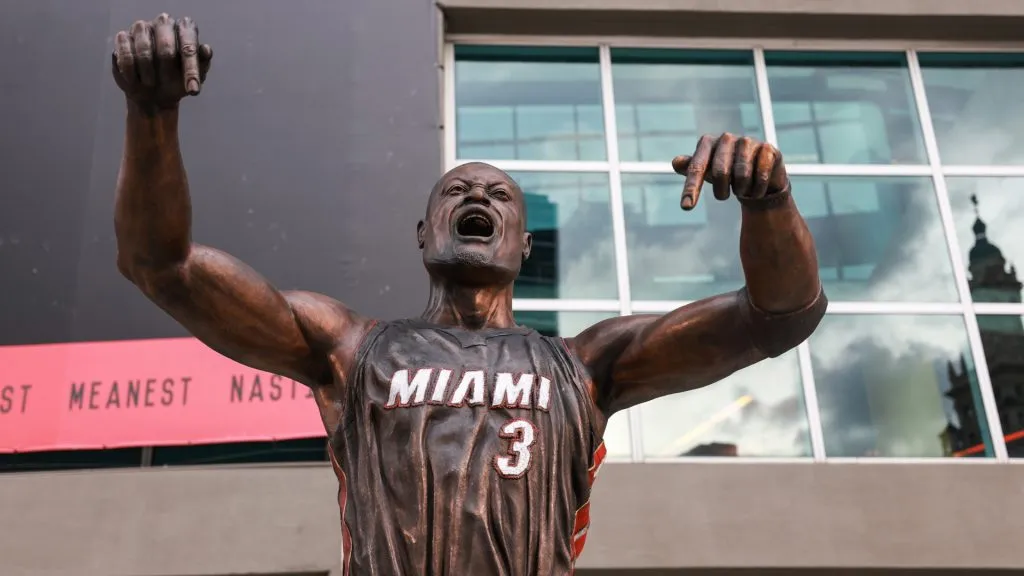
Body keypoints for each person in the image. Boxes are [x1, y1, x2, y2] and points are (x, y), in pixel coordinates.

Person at [111, 14, 826, 576]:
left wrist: (770, 204)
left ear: (525, 246)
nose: (478, 195)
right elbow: (163, 266)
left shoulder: (583, 366)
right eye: (457, 191)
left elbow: (780, 316)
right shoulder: (350, 349)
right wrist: (151, 115)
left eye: (498, 195)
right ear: (424, 234)